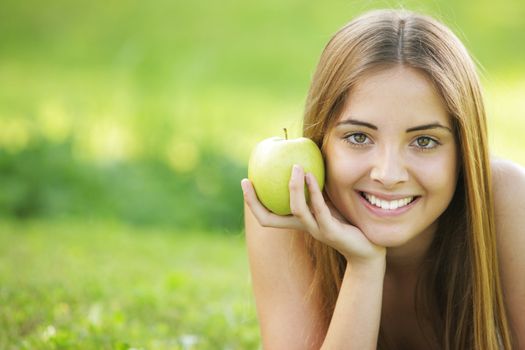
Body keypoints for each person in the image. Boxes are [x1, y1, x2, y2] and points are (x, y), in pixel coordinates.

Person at [240, 8, 525, 350]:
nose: (388, 174)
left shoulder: (508, 199)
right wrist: (364, 266)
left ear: (463, 150)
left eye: (424, 141)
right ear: (321, 139)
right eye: (359, 137)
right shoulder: (291, 206)